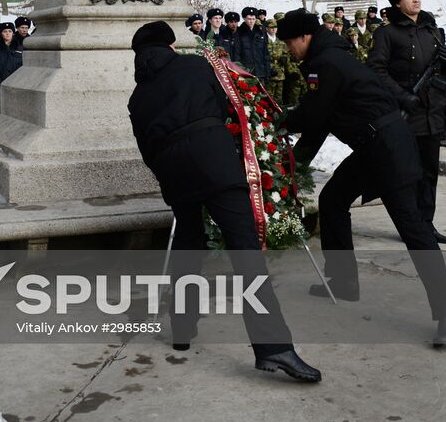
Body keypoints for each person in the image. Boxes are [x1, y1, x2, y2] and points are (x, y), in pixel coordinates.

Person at [127, 20, 321, 382]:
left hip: (174, 175)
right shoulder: (197, 66)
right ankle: (272, 347)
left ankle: (182, 330)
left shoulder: (136, 98)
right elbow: (227, 108)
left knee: (188, 245)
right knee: (245, 249)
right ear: (169, 47)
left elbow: (146, 149)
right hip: (214, 164)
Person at [277, 9, 446, 348]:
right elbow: (320, 123)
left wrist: (282, 124)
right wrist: (291, 168)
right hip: (371, 146)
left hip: (388, 149)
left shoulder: (328, 63)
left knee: (413, 228)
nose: (288, 49)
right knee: (333, 199)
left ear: (304, 37)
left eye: (289, 42)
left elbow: (314, 116)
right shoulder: (328, 60)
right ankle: (344, 282)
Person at [367, 0, 446, 243]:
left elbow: (445, 72)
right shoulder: (386, 33)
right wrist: (402, 96)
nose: (416, 0)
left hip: (432, 112)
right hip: (405, 113)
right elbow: (376, 70)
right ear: (397, 2)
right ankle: (413, 227)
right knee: (408, 174)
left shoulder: (432, 30)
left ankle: (427, 225)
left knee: (430, 173)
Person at [237, 6, 271, 83]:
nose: (251, 21)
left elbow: (265, 53)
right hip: (246, 73)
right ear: (244, 18)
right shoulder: (239, 33)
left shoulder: (261, 32)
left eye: (253, 19)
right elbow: (237, 55)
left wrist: (268, 73)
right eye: (249, 19)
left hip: (261, 72)